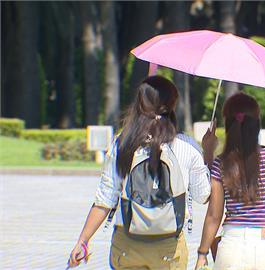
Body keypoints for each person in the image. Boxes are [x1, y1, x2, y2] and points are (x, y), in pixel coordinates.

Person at [67, 75, 218, 270]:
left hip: (127, 245)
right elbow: (203, 195)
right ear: (172, 105)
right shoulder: (187, 146)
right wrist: (208, 153)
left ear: (140, 103)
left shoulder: (122, 143)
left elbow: (105, 199)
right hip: (169, 250)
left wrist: (83, 241)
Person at [195, 92, 265, 270]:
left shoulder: (222, 162)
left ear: (228, 126)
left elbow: (214, 215)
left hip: (232, 245)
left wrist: (202, 254)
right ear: (257, 125)